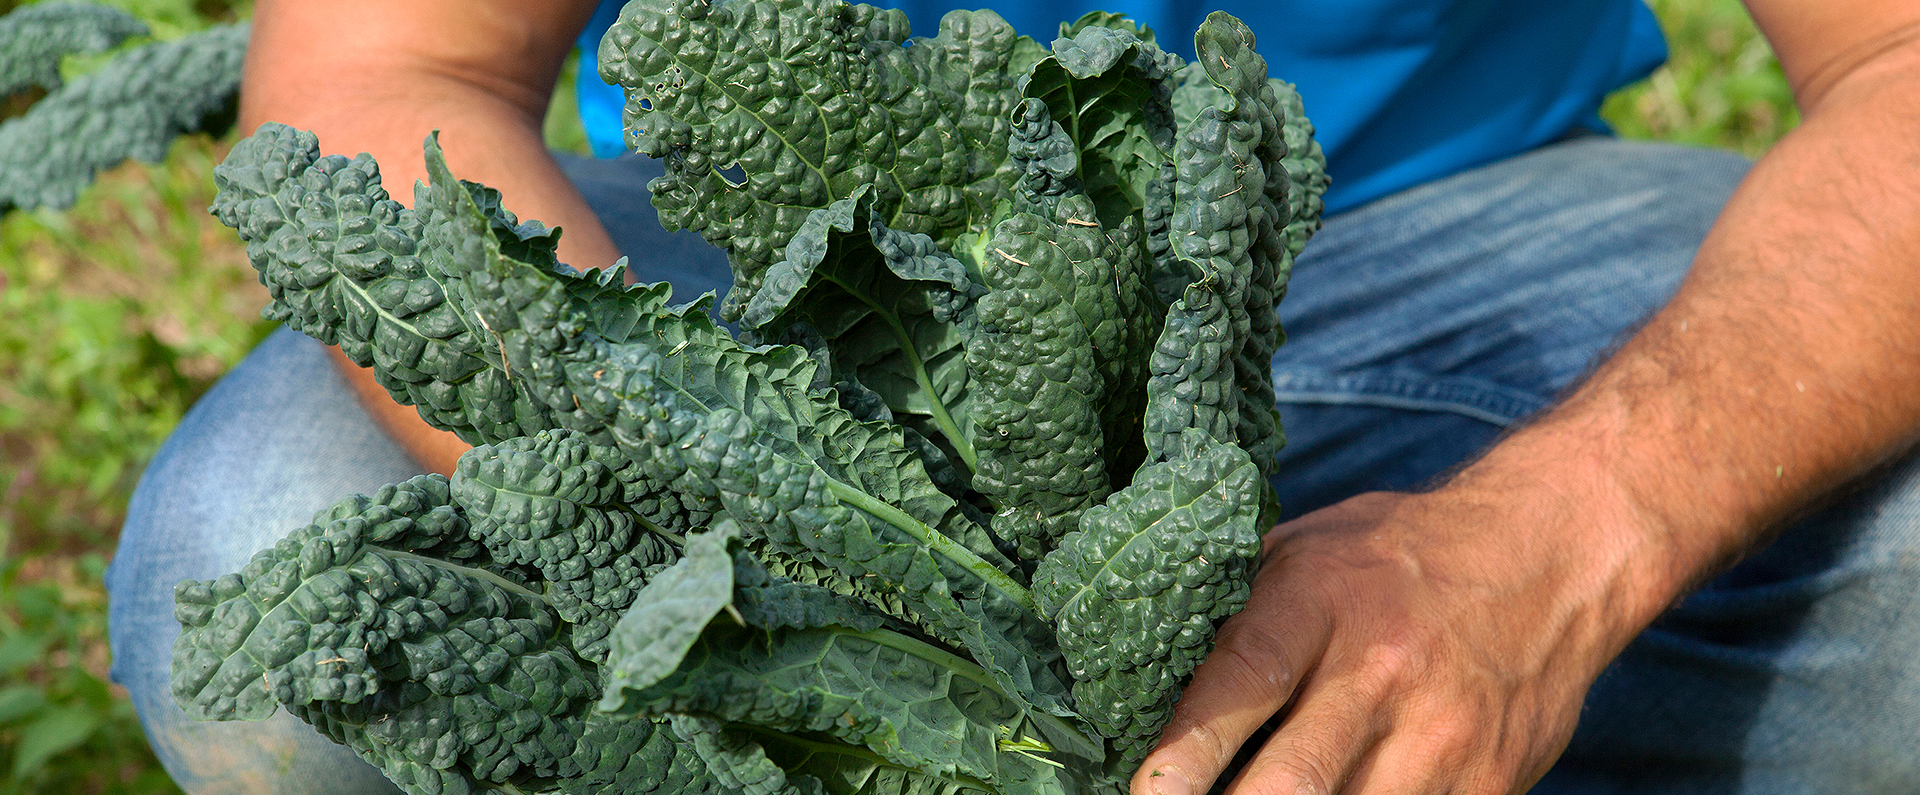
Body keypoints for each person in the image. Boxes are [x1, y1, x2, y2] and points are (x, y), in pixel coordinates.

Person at [105, 0, 1920, 793]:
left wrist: (1570, 539)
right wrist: (792, 612)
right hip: (788, 291)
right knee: (259, 563)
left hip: (1462, 231)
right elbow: (384, 66)